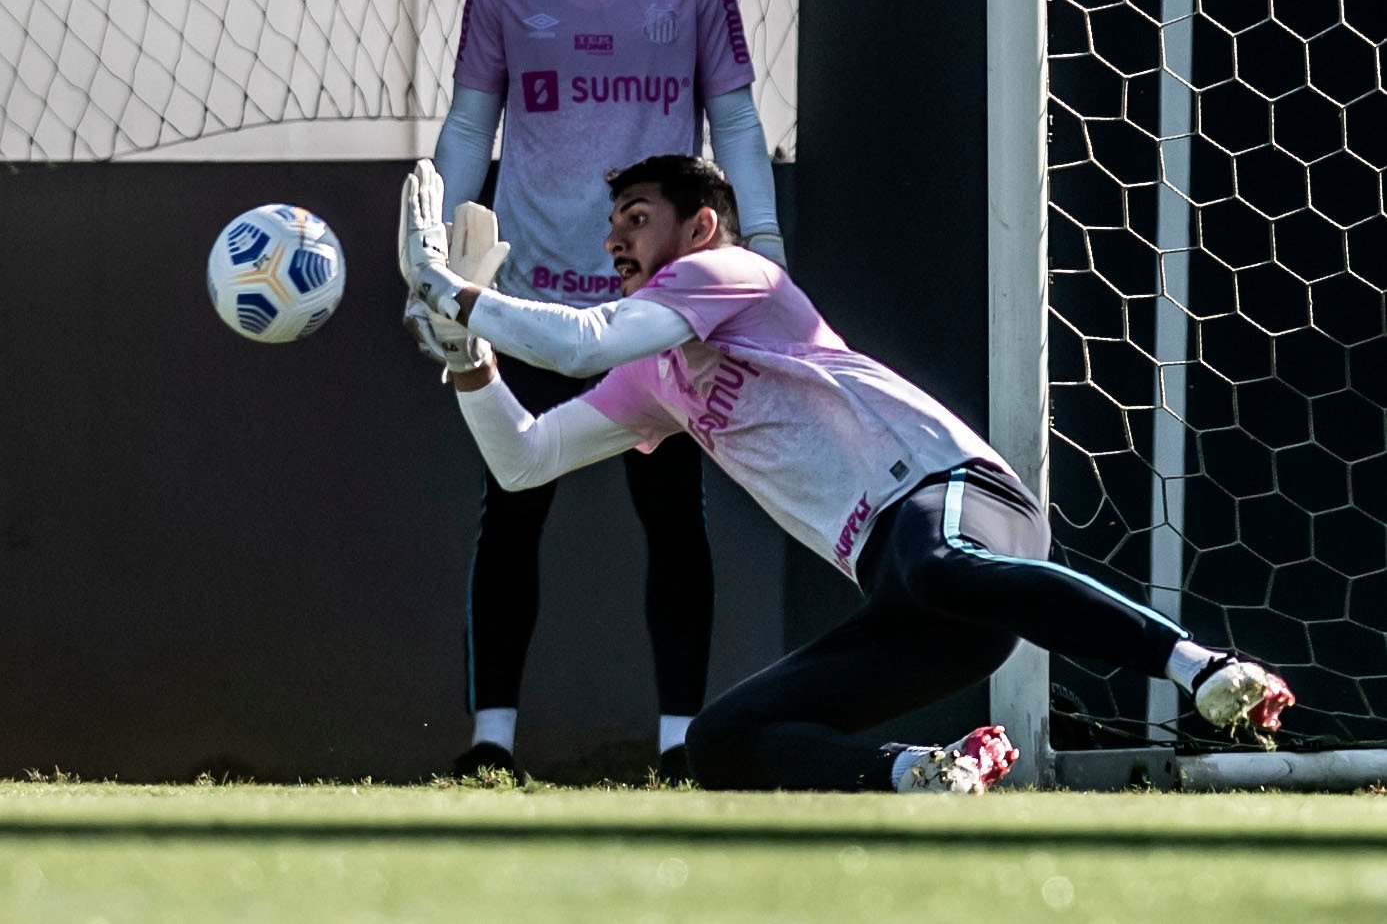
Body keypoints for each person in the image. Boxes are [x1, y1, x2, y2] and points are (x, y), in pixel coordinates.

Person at [397, 155, 1296, 792]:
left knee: (933, 562)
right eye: (613, 226)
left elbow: (579, 338)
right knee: (721, 743)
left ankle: (1201, 666)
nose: (616, 241)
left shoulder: (732, 269)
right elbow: (525, 462)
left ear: (700, 225)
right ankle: (922, 773)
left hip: (954, 499)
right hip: (919, 594)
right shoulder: (654, 380)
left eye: (637, 217)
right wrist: (468, 361)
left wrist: (448, 287)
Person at [421, 0, 787, 781]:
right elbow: (465, 128)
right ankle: (490, 746)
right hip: (528, 296)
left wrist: (765, 249)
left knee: (671, 517)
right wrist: (439, 263)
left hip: (654, 310)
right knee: (513, 511)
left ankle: (678, 747)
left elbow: (737, 124)